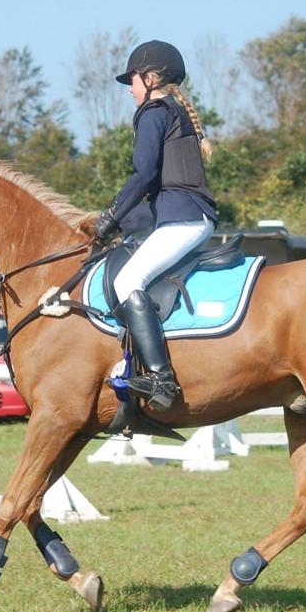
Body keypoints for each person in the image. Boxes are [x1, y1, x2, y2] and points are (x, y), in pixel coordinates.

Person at [93, 40, 219, 411]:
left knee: (126, 281)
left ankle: (162, 379)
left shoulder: (153, 112)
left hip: (185, 220)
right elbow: (160, 194)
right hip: (183, 215)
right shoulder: (173, 110)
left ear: (149, 79)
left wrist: (111, 215)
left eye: (131, 80)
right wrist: (124, 224)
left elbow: (144, 174)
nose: (129, 89)